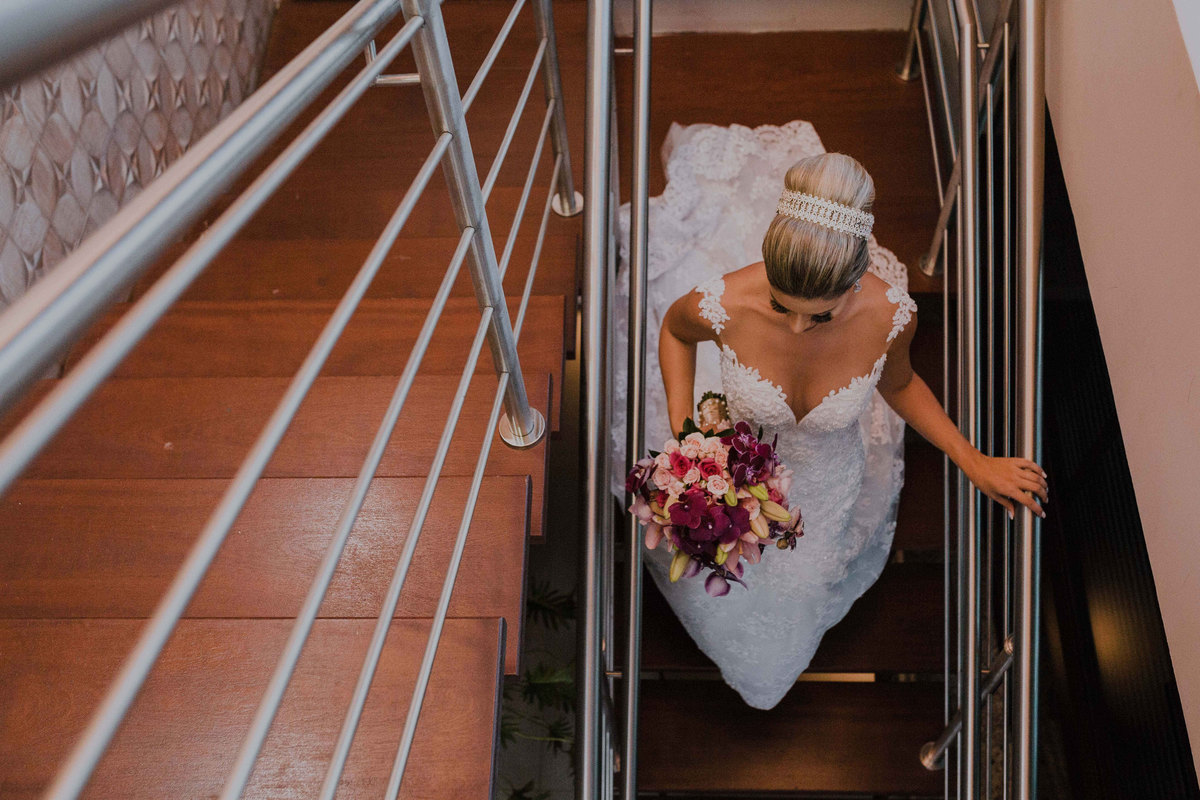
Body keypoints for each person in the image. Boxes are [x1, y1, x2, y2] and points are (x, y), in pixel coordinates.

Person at [610, 120, 1047, 710]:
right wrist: (687, 430)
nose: (793, 329)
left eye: (815, 318)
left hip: (824, 484)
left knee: (800, 583)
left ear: (853, 285)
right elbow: (674, 332)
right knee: (709, 567)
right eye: (779, 306)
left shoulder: (890, 316)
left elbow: (903, 384)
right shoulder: (726, 300)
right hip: (733, 464)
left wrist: (974, 461)